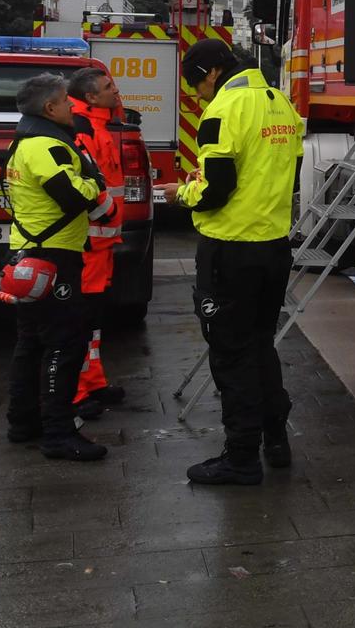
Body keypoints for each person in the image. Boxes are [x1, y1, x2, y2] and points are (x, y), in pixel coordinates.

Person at [158, 38, 303, 487]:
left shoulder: (224, 110)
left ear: (212, 73)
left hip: (230, 249)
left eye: (196, 85)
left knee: (231, 354)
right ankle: (275, 441)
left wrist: (182, 194)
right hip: (273, 246)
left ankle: (241, 457)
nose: (198, 95)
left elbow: (217, 188)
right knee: (261, 345)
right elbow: (287, 173)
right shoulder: (280, 103)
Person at [2, 73, 116, 461]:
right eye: (66, 101)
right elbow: (73, 197)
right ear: (50, 108)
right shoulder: (46, 146)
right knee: (64, 345)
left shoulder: (24, 141)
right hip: (53, 256)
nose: (71, 106)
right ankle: (58, 433)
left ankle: (23, 422)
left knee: (31, 342)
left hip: (29, 253)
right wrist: (94, 181)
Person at [66, 66, 130, 416]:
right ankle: (76, 393)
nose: (115, 91)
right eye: (108, 87)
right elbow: (85, 187)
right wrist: (107, 215)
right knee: (79, 320)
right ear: (91, 96)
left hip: (99, 245)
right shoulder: (82, 129)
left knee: (92, 319)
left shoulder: (95, 125)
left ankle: (92, 381)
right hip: (87, 245)